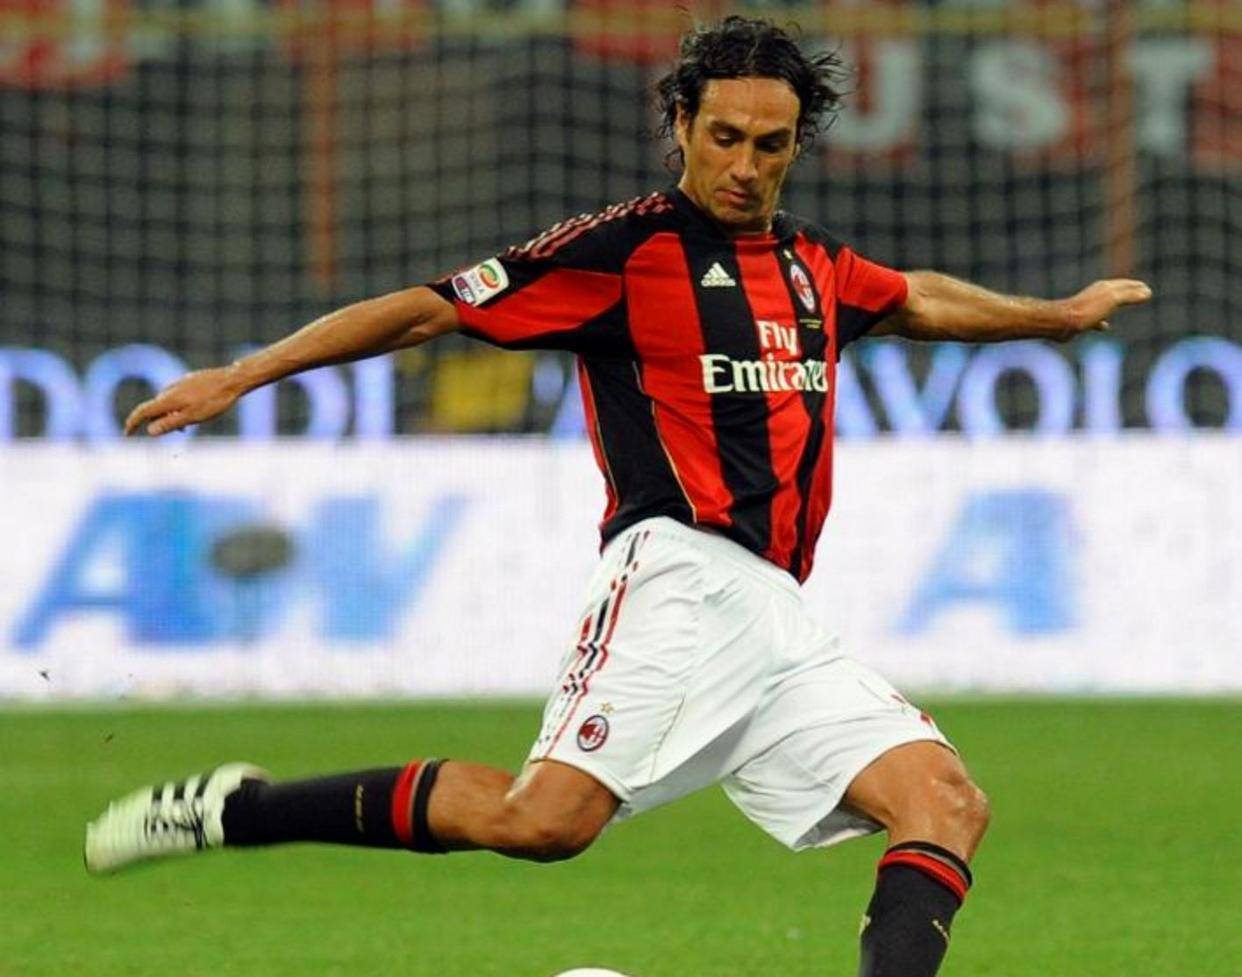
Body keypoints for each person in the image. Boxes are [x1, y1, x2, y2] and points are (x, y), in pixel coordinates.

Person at [84, 15, 1151, 977]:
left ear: (797, 146)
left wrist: (1055, 316)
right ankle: (240, 808)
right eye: (723, 137)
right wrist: (245, 374)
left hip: (776, 615)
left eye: (770, 144)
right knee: (540, 822)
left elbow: (915, 298)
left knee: (945, 800)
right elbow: (427, 308)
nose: (744, 165)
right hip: (677, 577)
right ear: (680, 125)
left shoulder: (810, 265)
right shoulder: (623, 252)